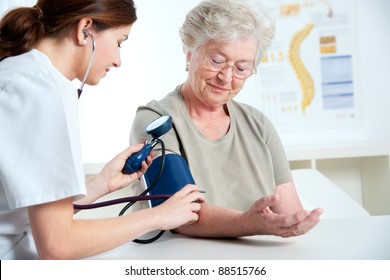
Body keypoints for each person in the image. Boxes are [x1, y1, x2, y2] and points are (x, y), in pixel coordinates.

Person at [0, 0, 204, 260]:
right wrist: (158, 216)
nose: (118, 61)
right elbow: (57, 245)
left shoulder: (21, 74)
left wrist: (101, 184)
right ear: (85, 29)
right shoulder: (43, 90)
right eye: (120, 42)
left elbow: (22, 216)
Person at [130, 0, 323, 239]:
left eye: (242, 68)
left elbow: (290, 215)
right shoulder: (156, 120)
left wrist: (295, 223)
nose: (227, 77)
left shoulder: (258, 125)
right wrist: (248, 223)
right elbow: (180, 215)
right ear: (190, 53)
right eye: (217, 61)